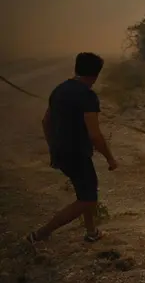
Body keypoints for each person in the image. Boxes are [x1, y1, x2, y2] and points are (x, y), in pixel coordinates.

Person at [26, 52, 118, 244]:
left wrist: (54, 147)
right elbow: (95, 135)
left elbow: (46, 121)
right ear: (96, 75)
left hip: (61, 151)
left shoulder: (59, 90)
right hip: (77, 154)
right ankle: (41, 234)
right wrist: (110, 158)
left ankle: (92, 232)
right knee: (88, 199)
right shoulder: (87, 96)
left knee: (87, 191)